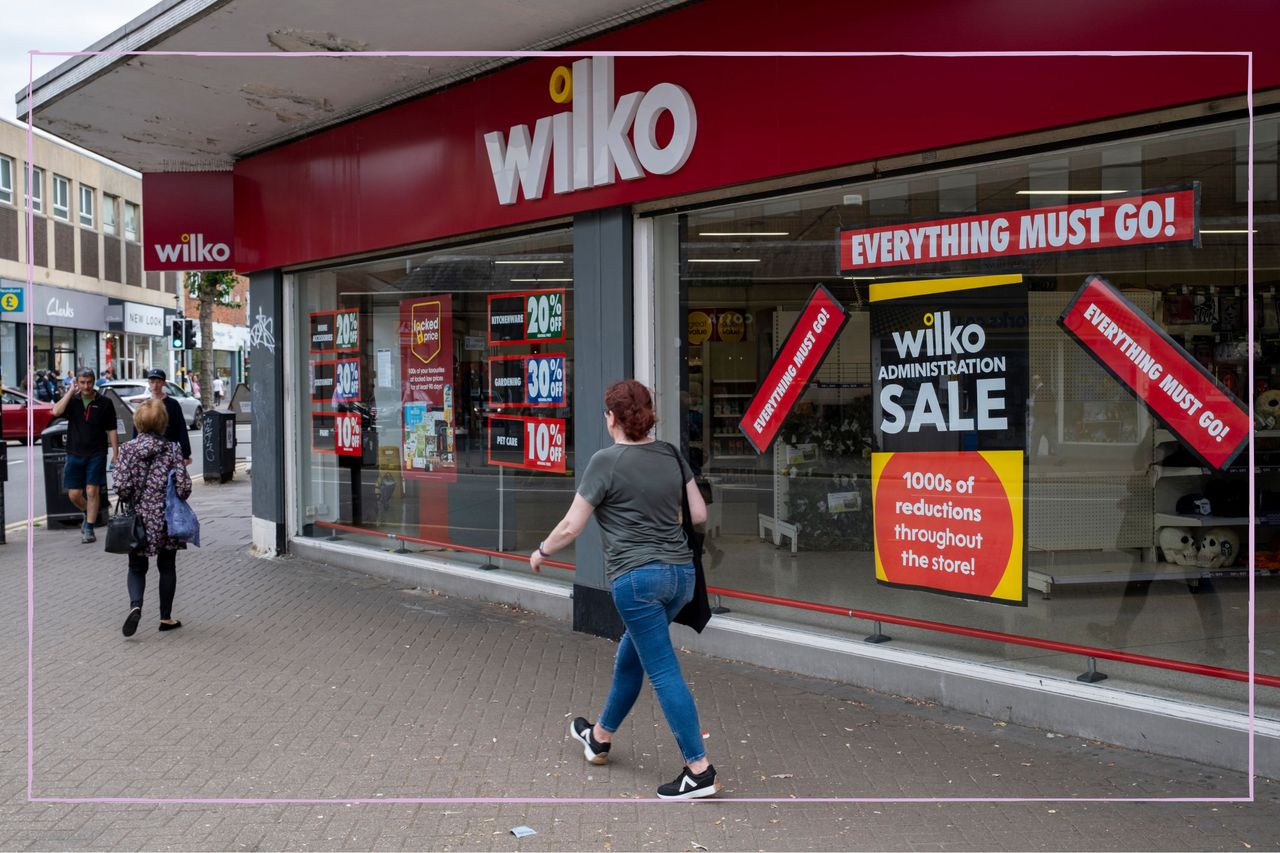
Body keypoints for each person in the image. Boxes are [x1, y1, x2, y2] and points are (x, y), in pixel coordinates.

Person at [530, 379, 719, 800]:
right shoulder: (671, 454)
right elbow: (700, 513)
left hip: (637, 581)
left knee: (663, 670)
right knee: (632, 656)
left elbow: (571, 525)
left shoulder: (606, 461)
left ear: (613, 417)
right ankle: (599, 737)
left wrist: (541, 551)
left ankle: (699, 770)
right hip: (680, 578)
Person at [113, 399, 192, 636]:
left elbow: (121, 487)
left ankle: (136, 605)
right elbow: (184, 487)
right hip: (166, 519)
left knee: (136, 566)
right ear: (162, 423)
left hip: (138, 519)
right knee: (167, 566)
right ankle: (165, 618)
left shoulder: (127, 450)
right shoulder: (172, 450)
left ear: (138, 421)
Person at [50, 368, 119, 543]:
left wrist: (115, 454)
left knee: (92, 490)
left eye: (89, 382)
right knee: (74, 494)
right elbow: (56, 412)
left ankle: (89, 528)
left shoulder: (105, 403)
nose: (86, 386)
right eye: (82, 382)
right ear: (77, 383)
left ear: (94, 381)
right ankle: (89, 512)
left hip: (97, 453)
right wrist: (70, 392)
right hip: (74, 453)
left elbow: (111, 429)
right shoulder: (72, 401)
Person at [139, 369, 192, 465]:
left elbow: (181, 428)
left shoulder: (173, 404)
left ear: (163, 383)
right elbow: (138, 429)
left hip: (168, 451)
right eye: (152, 382)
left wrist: (186, 454)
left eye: (158, 382)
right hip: (148, 452)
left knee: (169, 479)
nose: (155, 386)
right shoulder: (144, 404)